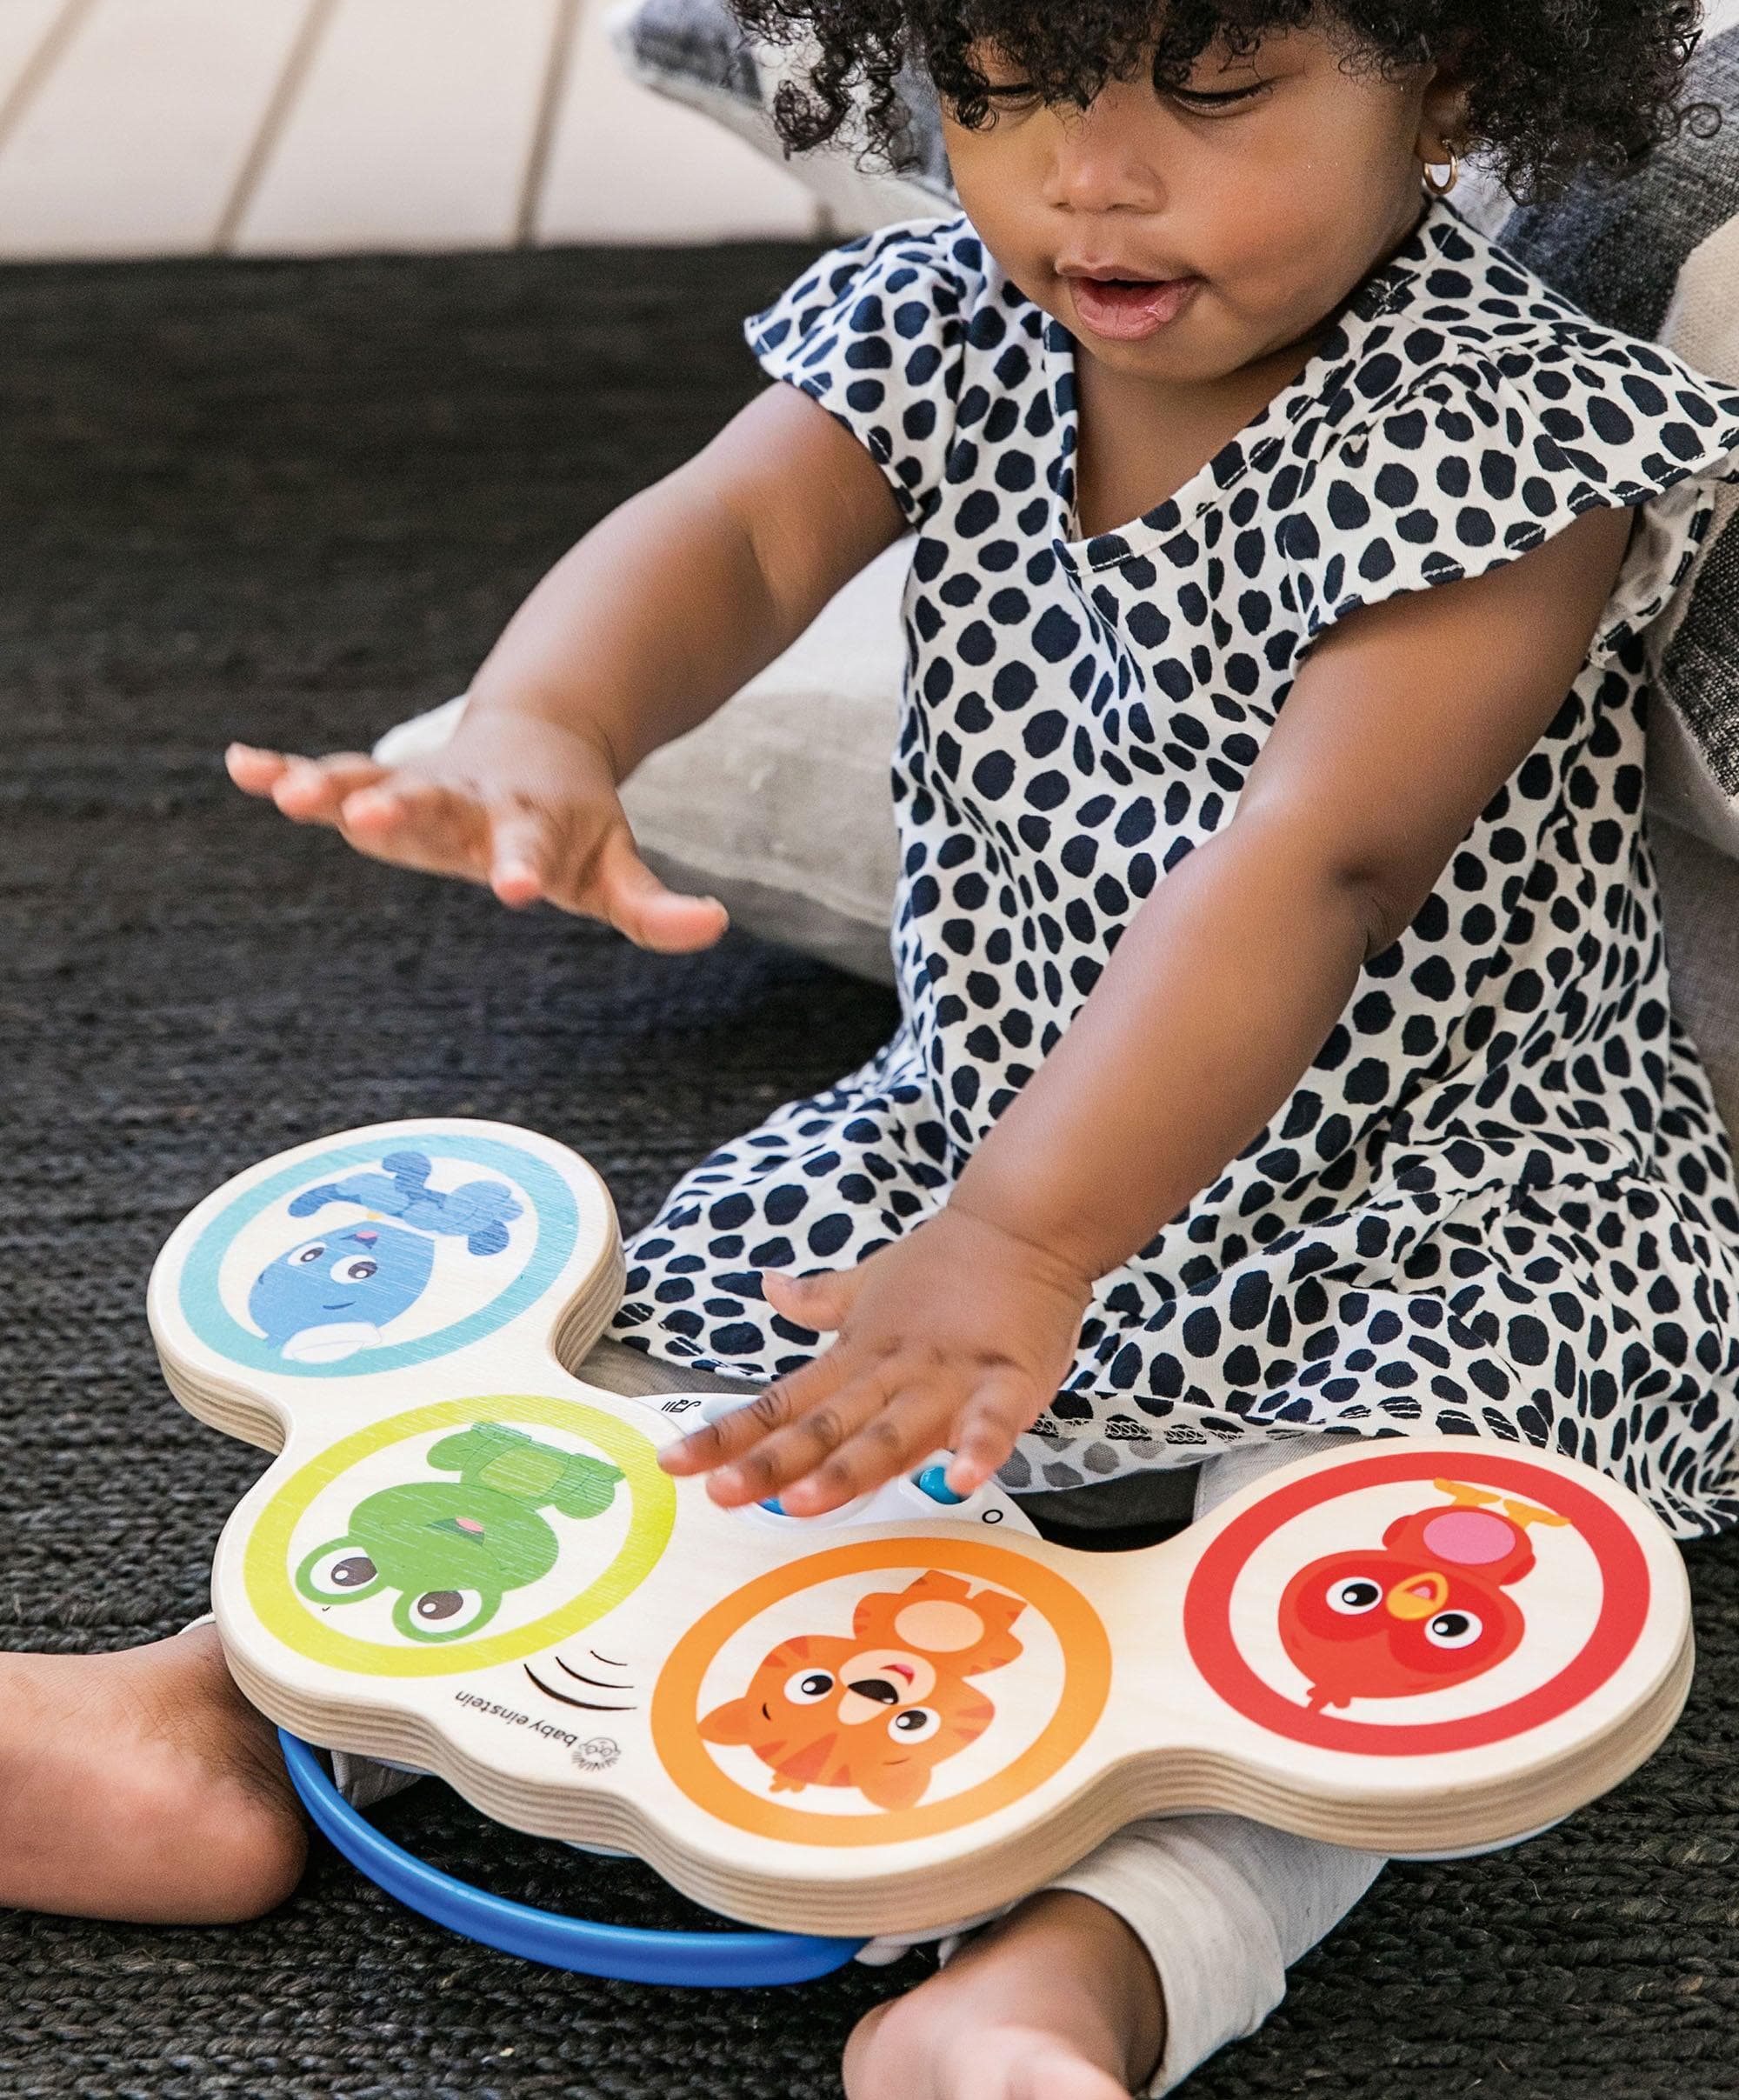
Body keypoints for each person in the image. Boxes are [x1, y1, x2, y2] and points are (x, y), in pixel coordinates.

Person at [9, 4, 1739, 2093]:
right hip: (978, 1138)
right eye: (1007, 89)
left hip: (1446, 1189)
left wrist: (1026, 1243)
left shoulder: (1518, 433)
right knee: (679, 1384)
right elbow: (727, 534)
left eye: (1212, 94)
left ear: (1456, 81)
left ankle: (1083, 1971)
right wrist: (547, 721)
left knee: (1367, 1594)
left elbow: (1320, 865)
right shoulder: (945, 324)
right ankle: (219, 1713)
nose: (1086, 176)